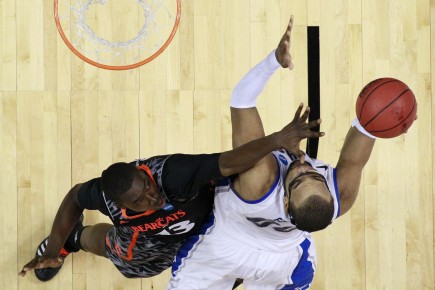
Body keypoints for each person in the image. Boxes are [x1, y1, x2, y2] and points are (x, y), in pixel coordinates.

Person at [18, 88, 322, 281]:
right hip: (151, 238)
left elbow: (231, 160)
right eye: (140, 201)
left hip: (207, 226)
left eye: (147, 187)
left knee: (230, 259)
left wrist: (278, 141)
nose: (152, 197)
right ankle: (74, 240)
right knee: (120, 253)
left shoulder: (174, 174)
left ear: (143, 173)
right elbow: (75, 196)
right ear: (120, 205)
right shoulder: (106, 196)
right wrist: (55, 247)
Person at [168, 15, 379, 290]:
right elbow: (356, 152)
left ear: (288, 204)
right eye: (316, 177)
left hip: (226, 245)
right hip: (283, 259)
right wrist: (380, 119)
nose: (304, 166)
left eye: (298, 180)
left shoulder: (261, 180)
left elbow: (241, 100)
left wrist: (272, 62)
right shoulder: (341, 196)